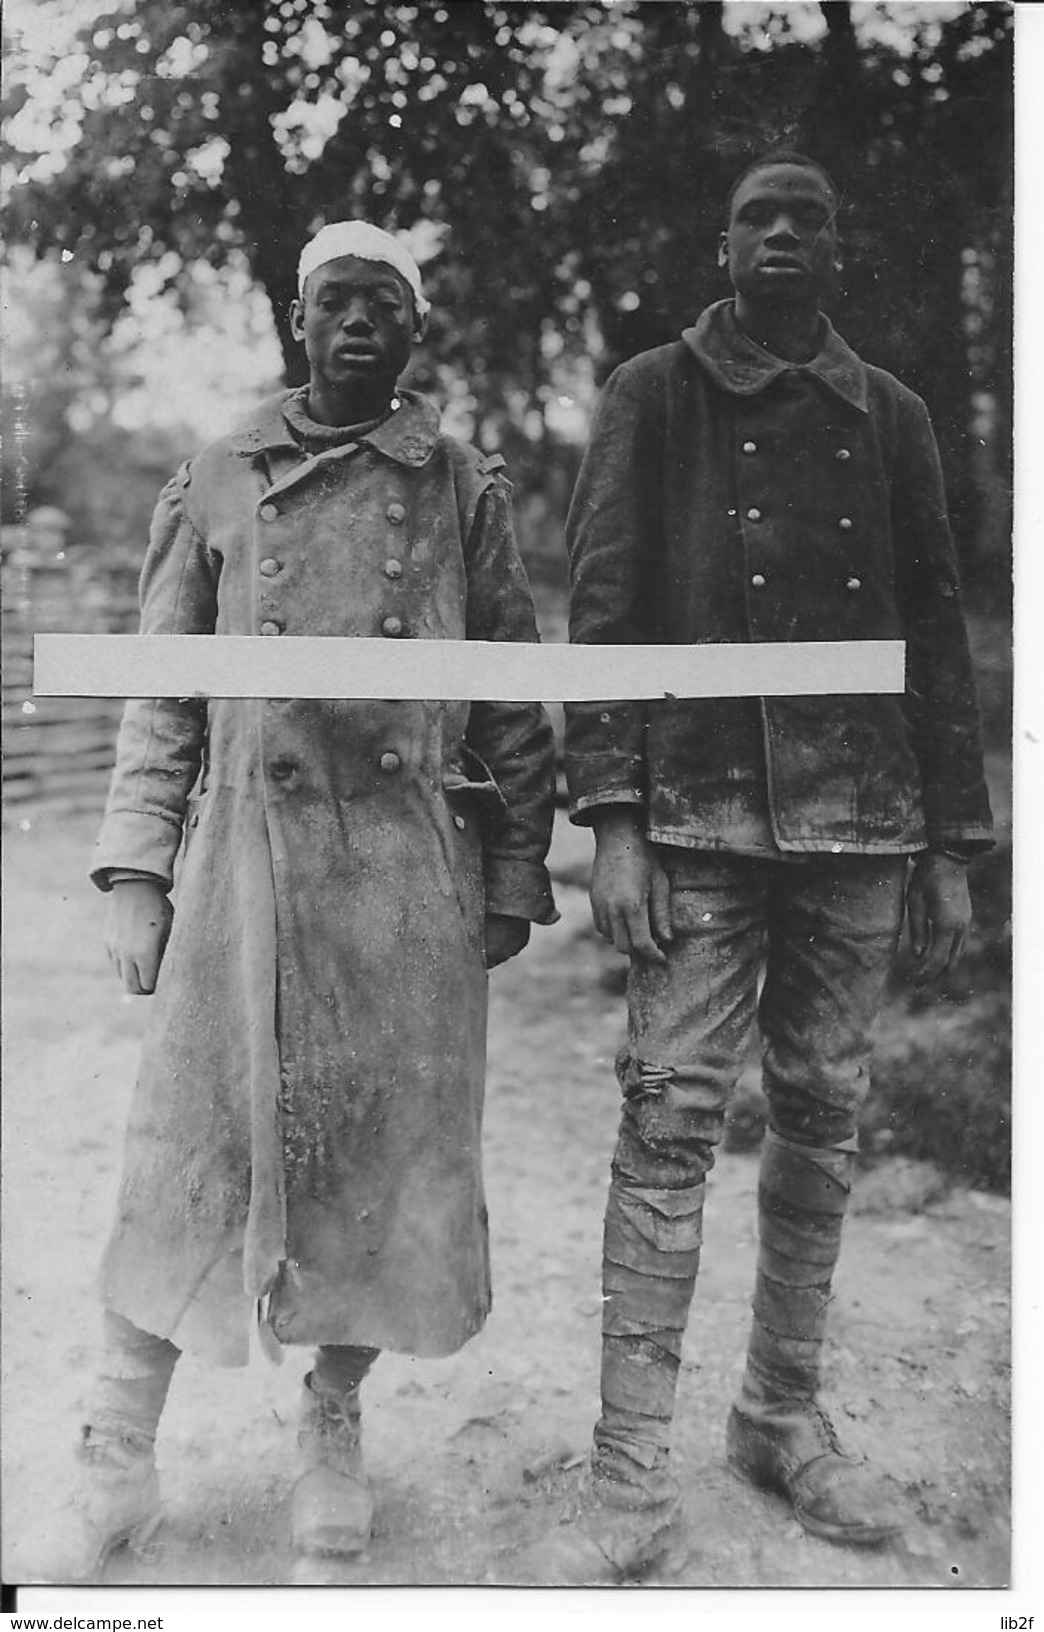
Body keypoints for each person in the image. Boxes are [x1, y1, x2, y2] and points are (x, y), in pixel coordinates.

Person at [31, 222, 559, 1583]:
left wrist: (511, 867)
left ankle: (333, 1422)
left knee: (380, 1159)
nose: (361, 325)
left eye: (388, 306)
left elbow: (511, 694)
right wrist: (136, 872)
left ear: (414, 332)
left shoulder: (457, 489)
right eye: (338, 303)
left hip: (397, 875)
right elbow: (162, 692)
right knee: (185, 1149)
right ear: (296, 319)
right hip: (241, 874)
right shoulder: (218, 478)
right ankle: (114, 1453)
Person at [538, 152, 994, 1582]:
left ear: (840, 252)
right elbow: (602, 611)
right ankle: (627, 1460)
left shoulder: (897, 416)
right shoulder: (652, 396)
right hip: (695, 820)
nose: (784, 234)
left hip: (864, 822)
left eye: (811, 216)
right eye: (758, 216)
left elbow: (935, 625)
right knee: (668, 1122)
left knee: (825, 1118)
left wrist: (955, 845)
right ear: (723, 247)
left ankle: (779, 1419)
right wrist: (610, 819)